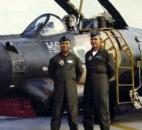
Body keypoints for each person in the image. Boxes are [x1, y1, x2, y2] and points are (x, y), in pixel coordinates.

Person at [48, 35, 83, 130]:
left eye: (66, 43)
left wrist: (72, 81)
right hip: (58, 92)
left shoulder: (75, 58)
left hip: (71, 92)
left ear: (69, 45)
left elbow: (80, 71)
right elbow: (51, 73)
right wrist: (59, 81)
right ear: (60, 45)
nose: (64, 45)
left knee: (73, 116)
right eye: (62, 43)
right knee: (56, 115)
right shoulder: (54, 59)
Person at [83, 32, 115, 130]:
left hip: (101, 86)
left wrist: (103, 80)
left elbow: (112, 71)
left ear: (100, 40)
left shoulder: (106, 54)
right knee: (87, 112)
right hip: (89, 86)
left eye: (96, 39)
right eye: (92, 39)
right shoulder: (87, 54)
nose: (93, 41)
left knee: (103, 113)